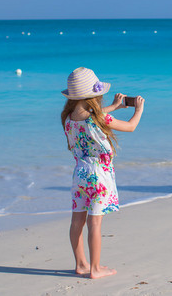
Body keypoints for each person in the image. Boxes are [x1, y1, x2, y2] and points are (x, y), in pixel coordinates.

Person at [60, 67, 145, 278]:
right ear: (94, 95)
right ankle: (95, 269)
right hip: (98, 175)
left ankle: (81, 264)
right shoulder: (97, 119)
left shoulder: (69, 118)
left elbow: (92, 117)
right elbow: (130, 127)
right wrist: (139, 110)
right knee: (95, 222)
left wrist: (114, 106)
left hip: (79, 173)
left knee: (77, 221)